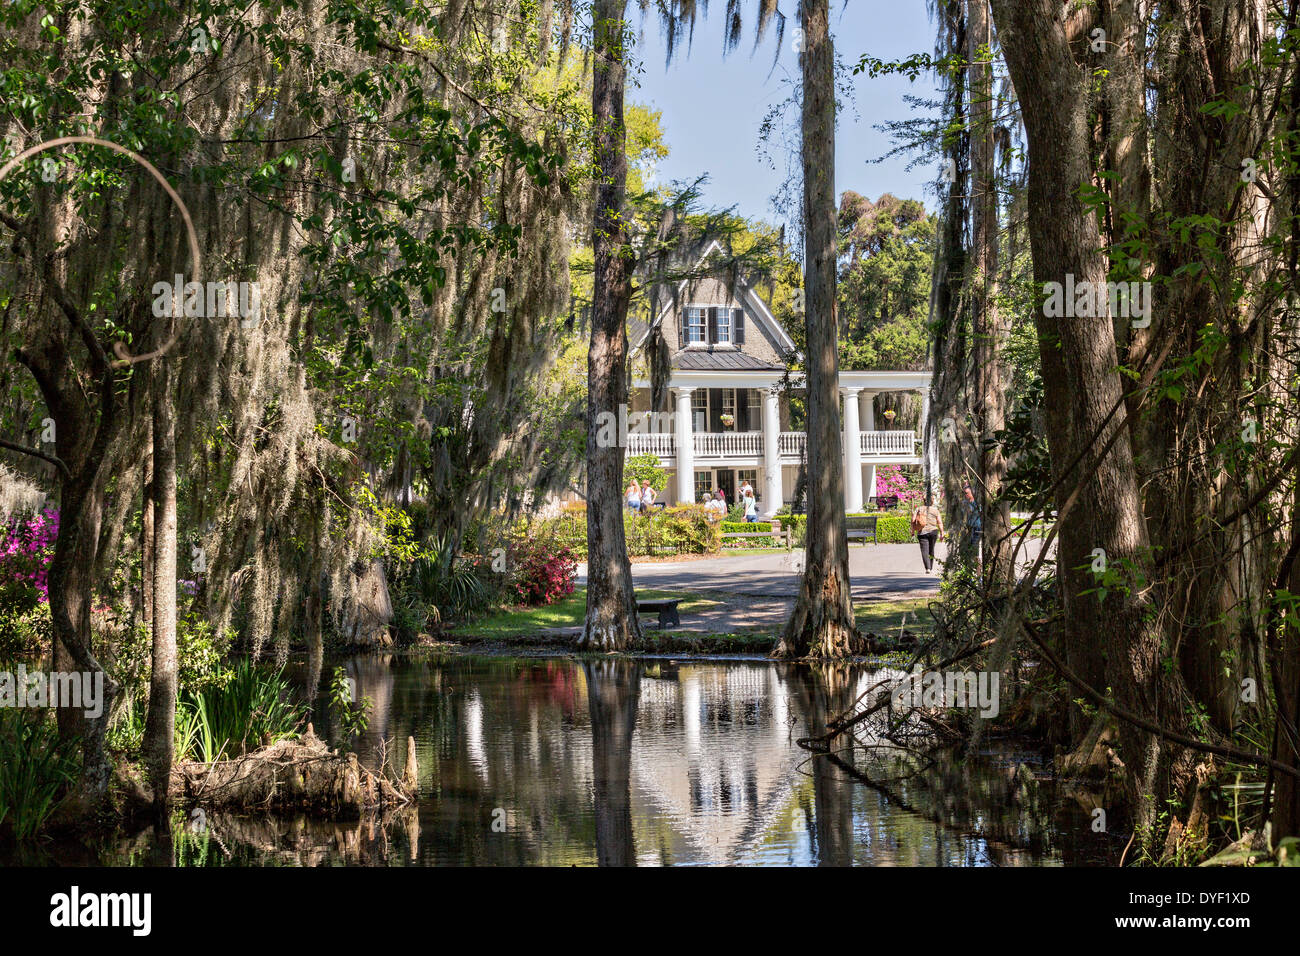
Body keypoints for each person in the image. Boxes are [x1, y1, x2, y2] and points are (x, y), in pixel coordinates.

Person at [911, 493, 944, 574]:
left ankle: (928, 568)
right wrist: (942, 533)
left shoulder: (918, 509)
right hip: (933, 531)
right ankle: (930, 567)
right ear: (932, 501)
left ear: (924, 501)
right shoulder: (935, 510)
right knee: (931, 549)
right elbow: (939, 522)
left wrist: (912, 531)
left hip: (922, 532)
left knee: (924, 550)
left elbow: (913, 521)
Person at [961, 483, 983, 558]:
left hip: (977, 528)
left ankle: (977, 566)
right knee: (967, 548)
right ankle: (970, 565)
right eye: (964, 493)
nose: (965, 495)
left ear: (972, 492)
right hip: (968, 529)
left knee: (974, 547)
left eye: (966, 493)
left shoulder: (978, 503)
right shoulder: (964, 503)